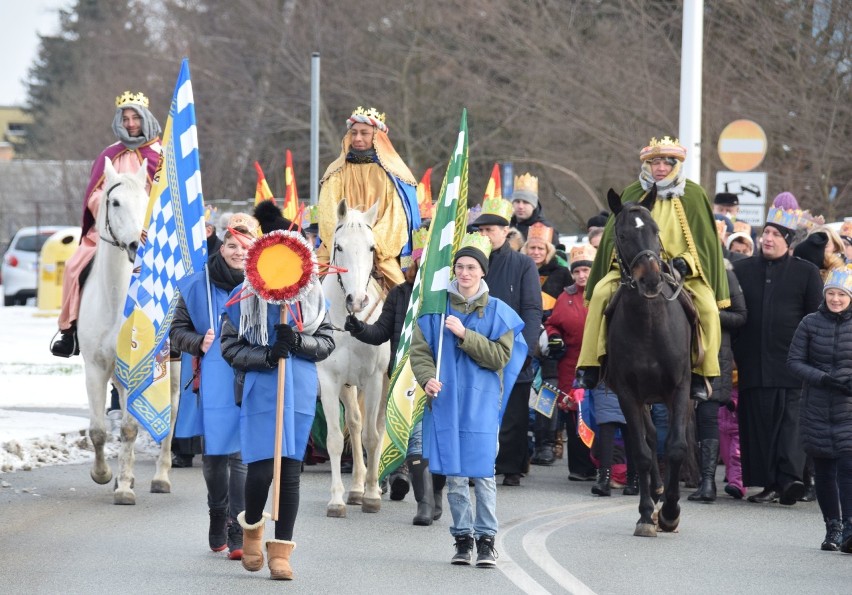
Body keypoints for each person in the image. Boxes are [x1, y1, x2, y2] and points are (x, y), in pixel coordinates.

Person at [220, 205, 335, 581]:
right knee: (260, 470)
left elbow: (327, 342)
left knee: (290, 471)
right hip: (261, 387)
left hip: (298, 388)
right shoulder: (243, 296)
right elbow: (230, 348)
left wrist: (299, 342)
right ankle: (252, 527)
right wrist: (267, 354)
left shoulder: (313, 297)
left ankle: (282, 550)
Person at [576, 136, 729, 401]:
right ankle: (590, 365)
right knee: (601, 293)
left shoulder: (694, 195)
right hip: (633, 268)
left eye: (666, 162)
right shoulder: (632, 193)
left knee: (707, 307)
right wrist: (623, 264)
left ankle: (701, 373)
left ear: (676, 164)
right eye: (654, 162)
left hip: (681, 271)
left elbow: (705, 246)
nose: (660, 167)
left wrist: (686, 262)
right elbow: (616, 240)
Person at [409, 234, 527, 567]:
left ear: (482, 272)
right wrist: (426, 377)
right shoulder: (435, 309)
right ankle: (462, 538)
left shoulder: (499, 313)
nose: (464, 272)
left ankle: (486, 540)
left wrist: (464, 335)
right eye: (460, 266)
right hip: (445, 401)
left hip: (481, 403)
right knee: (456, 474)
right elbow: (420, 351)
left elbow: (499, 358)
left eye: (471, 267)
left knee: (483, 473)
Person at [169, 213, 258, 559]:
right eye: (232, 245)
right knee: (215, 455)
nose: (238, 252)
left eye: (245, 246)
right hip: (213, 379)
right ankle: (217, 513)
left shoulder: (263, 284)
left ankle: (238, 526)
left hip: (249, 373)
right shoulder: (197, 285)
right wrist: (198, 342)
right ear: (221, 247)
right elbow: (177, 331)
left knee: (240, 453)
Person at [51, 91, 161, 357]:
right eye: (126, 118)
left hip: (152, 231)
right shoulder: (110, 155)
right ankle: (71, 330)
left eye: (136, 117)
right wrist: (111, 207)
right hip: (109, 230)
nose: (131, 123)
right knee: (75, 265)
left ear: (146, 118)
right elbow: (94, 194)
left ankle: (180, 333)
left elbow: (170, 195)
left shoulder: (162, 154)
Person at [343, 226, 440, 525]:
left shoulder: (443, 298)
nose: (423, 270)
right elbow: (382, 332)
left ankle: (434, 496)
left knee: (433, 440)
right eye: (419, 265)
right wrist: (359, 328)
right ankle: (419, 498)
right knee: (411, 436)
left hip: (440, 375)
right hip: (404, 373)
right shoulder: (400, 294)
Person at [732, 206, 823, 504]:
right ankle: (770, 483)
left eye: (775, 234)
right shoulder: (743, 270)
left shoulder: (805, 272)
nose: (768, 239)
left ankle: (791, 479)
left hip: (793, 364)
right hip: (753, 362)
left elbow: (816, 316)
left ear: (788, 241)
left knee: (790, 425)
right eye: (766, 233)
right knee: (759, 425)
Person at [470, 197, 543, 486]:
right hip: (476, 343)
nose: (486, 235)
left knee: (513, 412)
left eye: (490, 230)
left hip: (513, 344)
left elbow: (532, 307)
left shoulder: (523, 264)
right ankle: (478, 463)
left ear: (506, 231)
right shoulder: (469, 262)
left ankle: (512, 465)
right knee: (478, 410)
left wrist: (527, 345)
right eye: (481, 230)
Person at [317, 106, 419, 288]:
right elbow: (327, 214)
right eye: (354, 133)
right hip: (340, 245)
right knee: (306, 285)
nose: (357, 138)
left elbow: (396, 219)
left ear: (376, 137)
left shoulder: (393, 174)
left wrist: (369, 242)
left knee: (402, 291)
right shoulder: (335, 172)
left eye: (364, 133)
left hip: (377, 248)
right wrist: (346, 241)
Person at [787, 266, 852, 552]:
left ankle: (850, 527)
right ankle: (833, 528)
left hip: (848, 408)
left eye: (842, 294)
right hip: (816, 406)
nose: (836, 299)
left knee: (848, 468)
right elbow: (794, 362)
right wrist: (824, 378)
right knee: (824, 469)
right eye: (831, 293)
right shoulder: (810, 323)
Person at [688, 220, 748, 502]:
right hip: (679, 353)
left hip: (714, 353)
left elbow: (740, 315)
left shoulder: (724, 274)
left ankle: (708, 483)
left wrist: (708, 313)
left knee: (708, 416)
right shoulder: (677, 271)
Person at [545, 245, 600, 483]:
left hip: (599, 362)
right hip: (570, 363)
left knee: (599, 414)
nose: (581, 276)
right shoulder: (565, 296)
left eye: (586, 271)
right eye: (577, 272)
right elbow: (552, 323)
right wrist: (554, 336)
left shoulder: (603, 293)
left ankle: (602, 464)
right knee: (574, 413)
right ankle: (579, 467)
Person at [521, 222, 571, 466]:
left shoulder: (562, 274)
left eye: (540, 247)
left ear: (548, 249)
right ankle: (523, 444)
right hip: (523, 335)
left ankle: (546, 444)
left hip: (551, 340)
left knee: (547, 393)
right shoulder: (519, 269)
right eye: (532, 247)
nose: (536, 252)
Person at [509, 173, 560, 242]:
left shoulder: (546, 228)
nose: (520, 206)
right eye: (517, 201)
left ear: (534, 205)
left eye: (525, 202)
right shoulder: (506, 226)